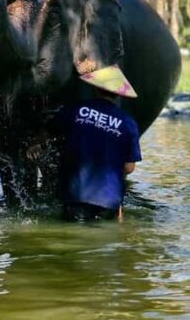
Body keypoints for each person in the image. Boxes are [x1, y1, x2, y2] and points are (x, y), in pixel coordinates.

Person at [59, 64, 141, 221]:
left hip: (76, 193)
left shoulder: (76, 109)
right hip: (108, 199)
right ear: (119, 94)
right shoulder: (128, 123)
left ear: (95, 89)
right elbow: (129, 168)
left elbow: (52, 130)